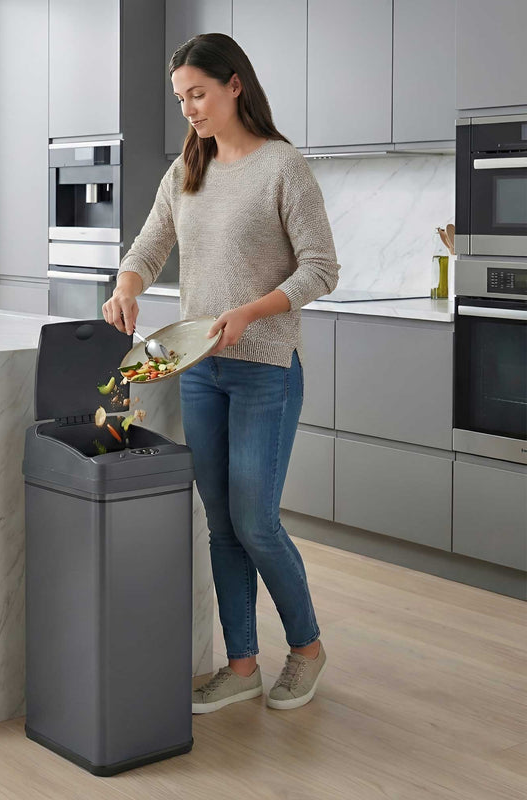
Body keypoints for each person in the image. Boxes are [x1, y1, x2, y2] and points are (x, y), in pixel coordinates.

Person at [103, 33, 340, 714]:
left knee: (256, 520)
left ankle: (307, 649)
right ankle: (241, 664)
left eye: (198, 94)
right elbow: (148, 245)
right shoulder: (186, 170)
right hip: (200, 369)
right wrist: (126, 286)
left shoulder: (281, 167)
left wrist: (250, 311)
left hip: (266, 368)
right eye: (182, 100)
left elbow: (320, 269)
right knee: (221, 524)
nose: (191, 110)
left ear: (236, 85)